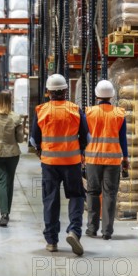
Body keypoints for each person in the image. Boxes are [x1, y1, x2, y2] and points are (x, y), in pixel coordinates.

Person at [30, 74, 88, 255]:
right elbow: (87, 137)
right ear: (65, 91)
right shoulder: (75, 110)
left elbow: (33, 139)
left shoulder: (41, 110)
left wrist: (41, 150)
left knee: (51, 200)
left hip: (49, 163)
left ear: (48, 92)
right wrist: (80, 151)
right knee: (76, 197)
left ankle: (51, 241)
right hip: (72, 162)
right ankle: (74, 231)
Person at [85, 79, 129, 240]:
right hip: (112, 160)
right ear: (112, 96)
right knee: (110, 194)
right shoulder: (119, 113)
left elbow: (85, 136)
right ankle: (107, 232)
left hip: (93, 159)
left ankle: (91, 229)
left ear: (97, 94)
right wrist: (126, 158)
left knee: (92, 192)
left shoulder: (89, 112)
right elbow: (123, 139)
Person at [0, 90, 24, 227]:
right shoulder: (16, 118)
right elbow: (20, 139)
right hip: (12, 154)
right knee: (9, 181)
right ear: (10, 100)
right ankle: (7, 212)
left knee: (0, 182)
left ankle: (4, 213)